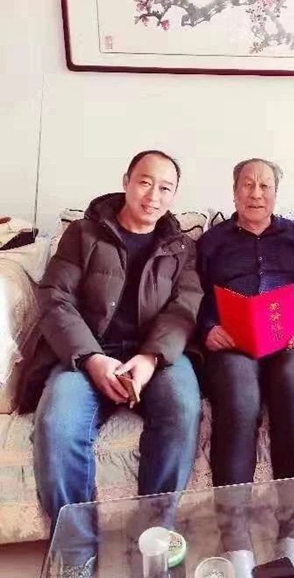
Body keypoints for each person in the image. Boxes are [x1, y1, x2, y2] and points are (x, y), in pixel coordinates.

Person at [16, 150, 203, 577]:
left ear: (174, 195)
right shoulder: (83, 234)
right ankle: (76, 554)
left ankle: (153, 540)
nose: (153, 195)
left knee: (182, 408)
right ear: (126, 181)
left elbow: (184, 308)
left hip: (155, 356)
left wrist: (151, 357)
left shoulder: (182, 247)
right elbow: (55, 299)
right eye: (145, 182)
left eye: (166, 188)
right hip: (88, 351)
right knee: (58, 422)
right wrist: (92, 358)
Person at [196, 158, 294, 576]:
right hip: (232, 342)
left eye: (265, 185)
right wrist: (208, 329)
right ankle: (235, 538)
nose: (256, 193)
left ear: (276, 192)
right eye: (248, 185)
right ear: (234, 190)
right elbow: (192, 296)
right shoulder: (212, 242)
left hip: (292, 341)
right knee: (238, 400)